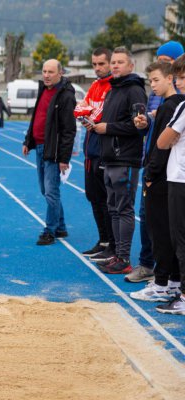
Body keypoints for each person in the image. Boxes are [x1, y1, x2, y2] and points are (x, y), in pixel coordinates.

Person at [126, 41, 184, 283]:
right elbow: (156, 132)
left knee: (170, 230)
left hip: (169, 172)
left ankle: (168, 281)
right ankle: (154, 269)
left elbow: (165, 141)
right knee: (152, 222)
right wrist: (147, 123)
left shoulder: (178, 102)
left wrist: (152, 172)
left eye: (167, 65)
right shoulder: (158, 97)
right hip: (159, 166)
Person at [92, 47, 147, 274]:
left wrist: (108, 128)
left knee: (124, 209)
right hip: (110, 157)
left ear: (130, 66)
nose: (115, 66)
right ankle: (116, 254)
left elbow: (138, 126)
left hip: (125, 158)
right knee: (113, 207)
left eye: (120, 62)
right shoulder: (113, 90)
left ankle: (124, 258)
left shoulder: (134, 90)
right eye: (113, 62)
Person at [22, 59, 76, 246]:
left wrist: (64, 157)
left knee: (51, 192)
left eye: (50, 72)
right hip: (38, 146)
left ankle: (50, 231)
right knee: (46, 190)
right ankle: (60, 226)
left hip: (52, 149)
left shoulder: (66, 95)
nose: (46, 75)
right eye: (44, 71)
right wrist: (28, 140)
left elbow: (69, 129)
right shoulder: (43, 89)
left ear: (60, 73)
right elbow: (36, 117)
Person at [74, 48, 115, 262]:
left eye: (102, 64)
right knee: (93, 197)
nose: (97, 68)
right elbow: (80, 109)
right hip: (90, 150)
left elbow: (98, 115)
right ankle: (103, 240)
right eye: (94, 64)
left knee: (106, 199)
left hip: (104, 150)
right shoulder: (94, 85)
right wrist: (86, 112)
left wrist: (88, 112)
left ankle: (113, 244)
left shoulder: (112, 87)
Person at [154, 65, 185, 315]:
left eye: (183, 78)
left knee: (180, 239)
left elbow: (162, 142)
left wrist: (172, 136)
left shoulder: (182, 107)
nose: (179, 82)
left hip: (180, 178)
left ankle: (183, 295)